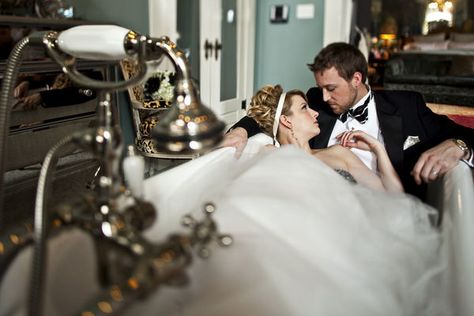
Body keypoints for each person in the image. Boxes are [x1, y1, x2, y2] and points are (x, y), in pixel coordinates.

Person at [225, 42, 474, 200]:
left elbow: (465, 133)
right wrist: (240, 131)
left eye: (331, 88)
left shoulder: (408, 105)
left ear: (356, 79)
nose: (323, 97)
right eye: (320, 88)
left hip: (388, 210)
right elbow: (276, 110)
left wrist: (457, 145)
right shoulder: (316, 101)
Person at [247, 84, 403, 193]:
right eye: (304, 107)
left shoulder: (339, 153)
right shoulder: (271, 154)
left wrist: (378, 148)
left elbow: (392, 196)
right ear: (286, 120)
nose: (315, 113)